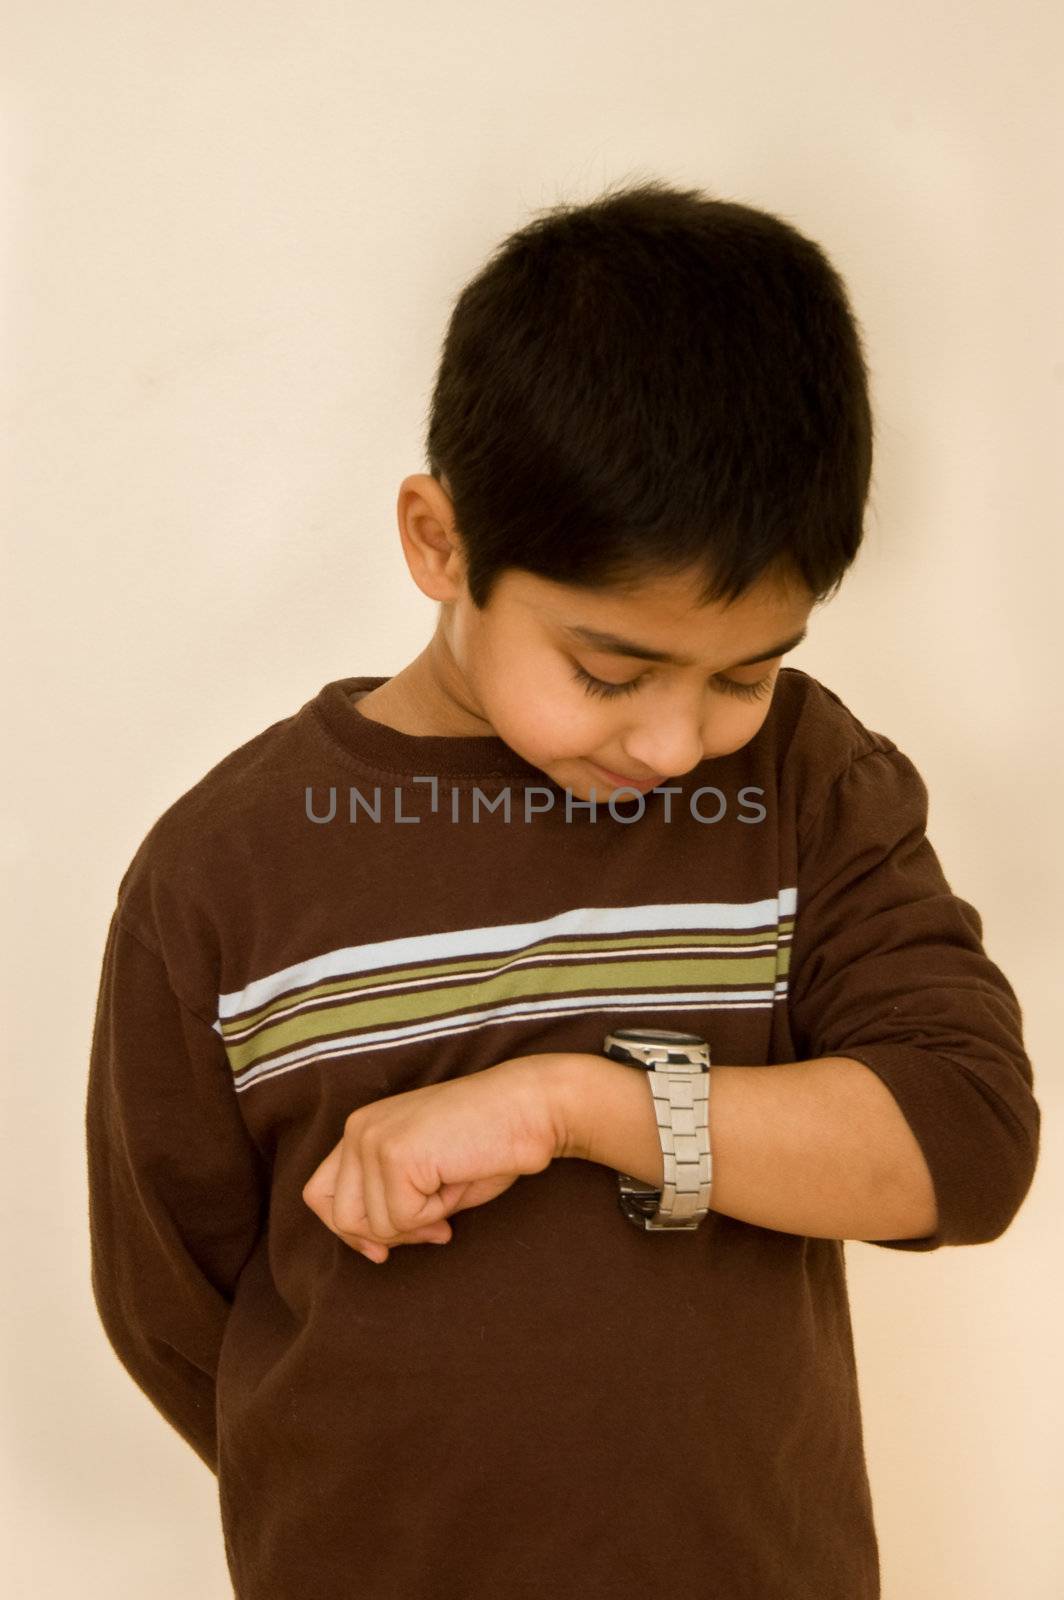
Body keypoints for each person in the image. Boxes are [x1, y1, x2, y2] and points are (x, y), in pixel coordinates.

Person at [85, 178, 1040, 1599]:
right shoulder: (228, 867)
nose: (673, 742)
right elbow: (184, 1311)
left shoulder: (800, 787)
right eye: (608, 669)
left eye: (745, 670)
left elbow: (962, 1142)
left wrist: (569, 1106)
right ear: (439, 541)